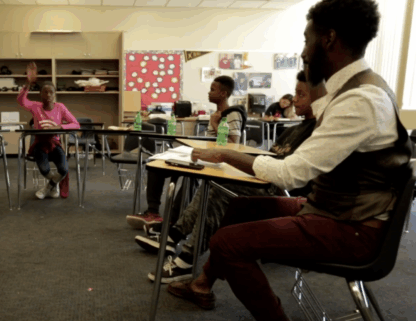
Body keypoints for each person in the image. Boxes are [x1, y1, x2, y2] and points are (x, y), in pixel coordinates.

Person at [167, 0, 413, 321]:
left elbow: (289, 175)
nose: (301, 51)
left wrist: (225, 155)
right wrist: (313, 74)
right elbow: (323, 117)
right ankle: (201, 284)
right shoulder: (358, 88)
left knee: (227, 242)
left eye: (306, 39)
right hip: (338, 211)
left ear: (328, 39)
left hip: (352, 228)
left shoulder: (361, 101)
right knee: (240, 207)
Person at [137, 70, 326, 283]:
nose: (294, 100)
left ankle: (186, 257)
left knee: (218, 190)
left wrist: (228, 156)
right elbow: (268, 160)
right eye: (295, 93)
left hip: (285, 193)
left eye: (301, 95)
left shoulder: (318, 131)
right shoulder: (293, 129)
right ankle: (175, 236)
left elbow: (287, 175)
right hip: (268, 182)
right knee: (213, 183)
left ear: (320, 96)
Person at [126, 76, 246, 229]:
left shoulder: (232, 114)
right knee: (156, 165)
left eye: (212, 90)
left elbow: (233, 145)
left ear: (223, 94)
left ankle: (172, 221)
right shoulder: (217, 113)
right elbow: (211, 140)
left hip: (216, 160)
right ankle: (153, 213)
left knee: (190, 175)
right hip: (204, 154)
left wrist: (215, 124)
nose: (209, 93)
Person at [18, 62, 80, 199]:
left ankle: (48, 187)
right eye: (45, 92)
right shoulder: (35, 106)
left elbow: (76, 124)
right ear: (40, 94)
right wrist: (27, 84)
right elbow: (21, 101)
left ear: (55, 94)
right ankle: (54, 184)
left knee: (63, 169)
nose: (48, 95)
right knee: (44, 170)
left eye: (51, 92)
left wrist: (59, 126)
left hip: (55, 143)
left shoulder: (60, 107)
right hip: (40, 145)